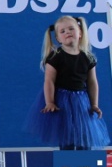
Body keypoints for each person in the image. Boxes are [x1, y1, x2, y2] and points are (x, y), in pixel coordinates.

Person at [25, 16, 110, 150]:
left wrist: (94, 104)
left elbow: (92, 82)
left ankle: (86, 161)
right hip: (62, 101)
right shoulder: (55, 57)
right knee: (67, 137)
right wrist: (50, 102)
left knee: (85, 137)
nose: (67, 32)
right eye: (63, 31)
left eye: (71, 29)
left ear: (80, 33)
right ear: (58, 38)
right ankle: (67, 160)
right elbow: (49, 81)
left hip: (82, 102)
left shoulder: (88, 57)